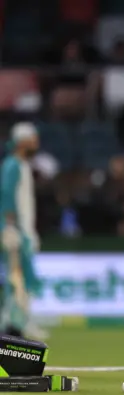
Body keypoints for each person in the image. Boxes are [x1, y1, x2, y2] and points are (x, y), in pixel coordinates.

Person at [0, 122, 48, 341]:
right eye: (33, 139)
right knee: (17, 279)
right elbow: (6, 195)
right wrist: (8, 227)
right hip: (14, 231)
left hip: (24, 231)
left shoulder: (24, 165)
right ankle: (14, 325)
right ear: (22, 142)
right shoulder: (12, 165)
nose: (36, 143)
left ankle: (17, 322)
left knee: (23, 279)